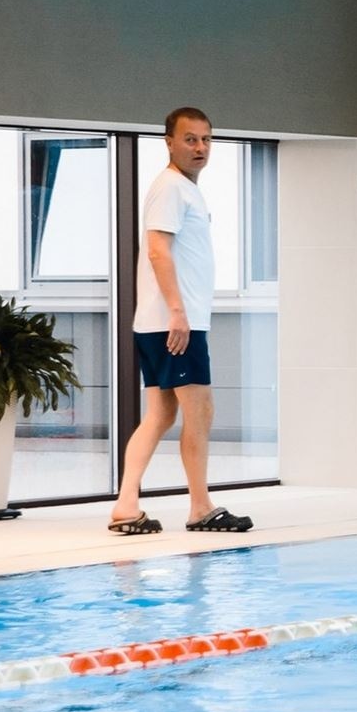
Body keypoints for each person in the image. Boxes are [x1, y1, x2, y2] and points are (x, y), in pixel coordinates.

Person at [107, 107, 252, 534]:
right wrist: (177, 312)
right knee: (200, 409)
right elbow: (157, 251)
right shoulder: (170, 187)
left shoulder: (183, 189)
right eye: (190, 139)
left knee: (161, 414)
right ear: (169, 142)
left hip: (167, 320)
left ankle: (126, 506)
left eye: (206, 139)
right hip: (173, 322)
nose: (200, 147)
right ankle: (200, 508)